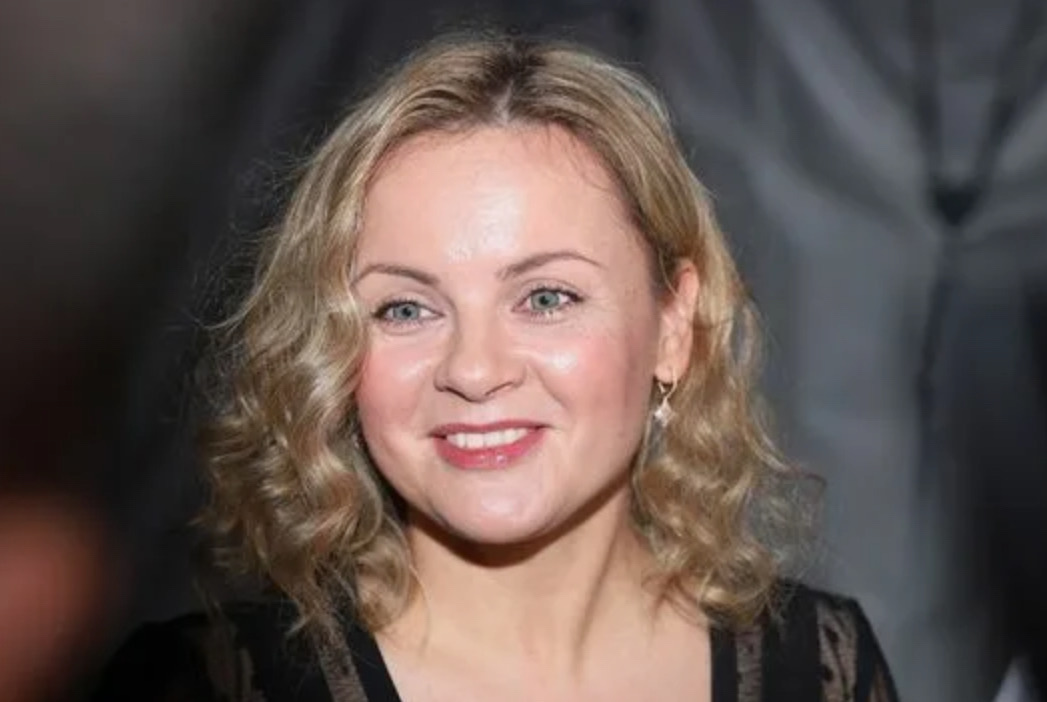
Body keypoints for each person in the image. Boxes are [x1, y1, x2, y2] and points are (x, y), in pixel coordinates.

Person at [93, 34, 897, 701]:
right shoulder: (205, 684)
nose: (473, 371)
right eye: (405, 309)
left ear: (671, 326)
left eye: (545, 297)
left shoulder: (821, 669)